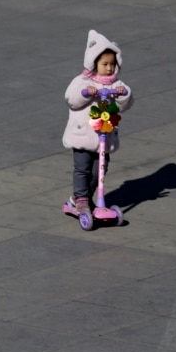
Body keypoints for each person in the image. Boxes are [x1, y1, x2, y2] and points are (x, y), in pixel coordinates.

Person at [62, 29, 134, 215]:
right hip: (83, 135)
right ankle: (81, 200)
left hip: (104, 135)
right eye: (105, 64)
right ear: (94, 63)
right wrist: (87, 92)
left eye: (112, 64)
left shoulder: (114, 84)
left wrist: (123, 94)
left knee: (99, 171)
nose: (109, 68)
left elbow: (126, 101)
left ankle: (79, 198)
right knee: (82, 169)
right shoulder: (82, 81)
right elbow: (71, 98)